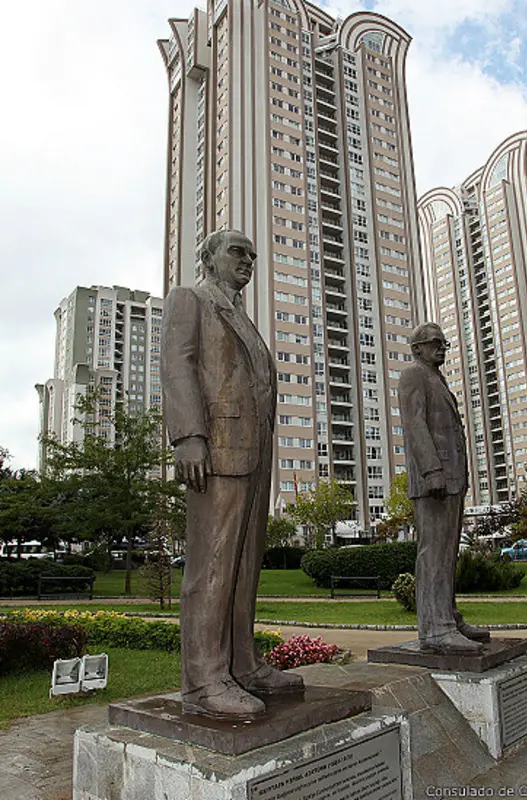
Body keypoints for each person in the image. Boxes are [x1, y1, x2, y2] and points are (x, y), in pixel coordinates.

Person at [161, 229, 303, 720]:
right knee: (214, 564)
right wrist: (189, 436)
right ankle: (204, 681)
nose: (249, 259)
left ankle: (242, 664)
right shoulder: (190, 300)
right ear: (208, 257)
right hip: (215, 447)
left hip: (253, 451)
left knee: (244, 565)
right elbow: (178, 365)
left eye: (252, 253)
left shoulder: (241, 316)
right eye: (238, 251)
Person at [398, 322, 490, 653]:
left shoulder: (438, 379)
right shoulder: (413, 375)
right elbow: (415, 425)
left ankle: (449, 616)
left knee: (449, 552)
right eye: (434, 342)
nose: (441, 347)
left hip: (452, 479)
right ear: (417, 348)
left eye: (443, 342)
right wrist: (432, 471)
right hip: (433, 480)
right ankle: (435, 629)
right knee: (433, 551)